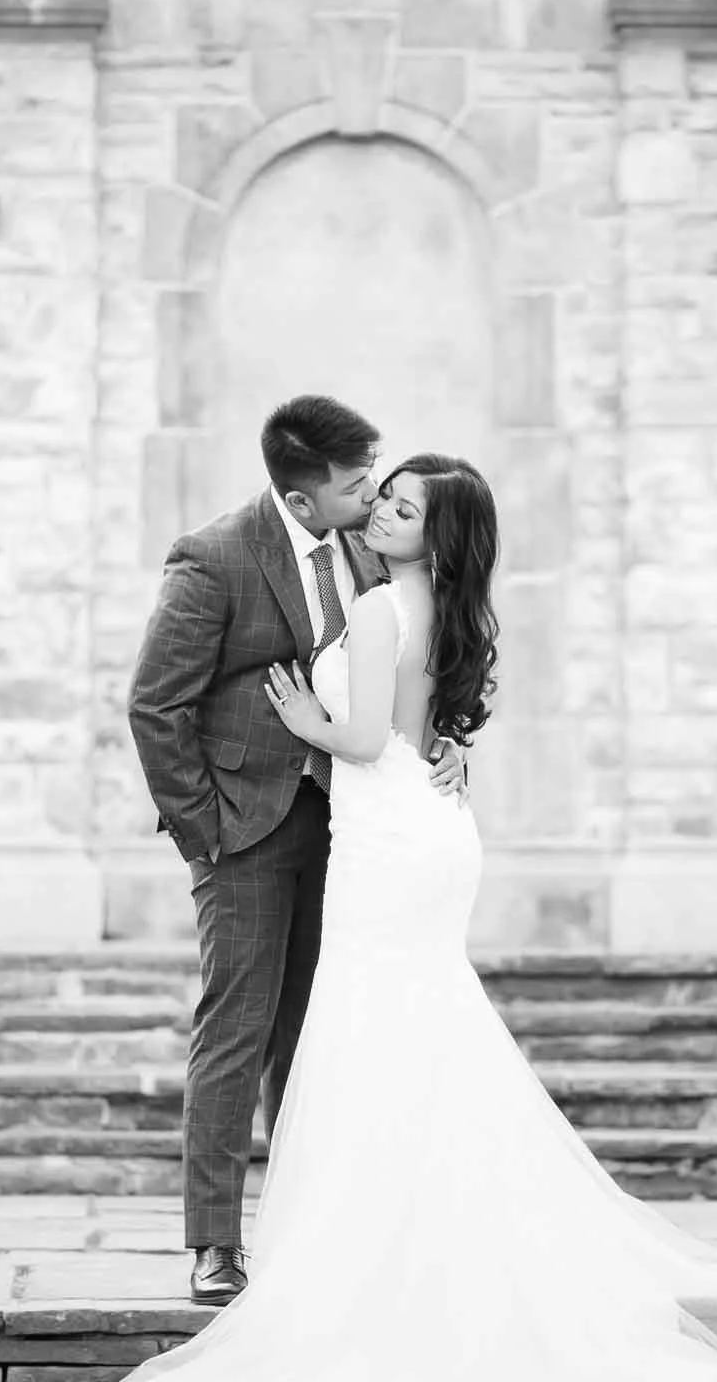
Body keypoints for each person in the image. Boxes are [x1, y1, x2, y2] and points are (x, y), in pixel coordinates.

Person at [117, 451, 717, 1382]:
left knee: (373, 1035)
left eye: (403, 508)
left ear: (435, 534)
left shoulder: (377, 607)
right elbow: (426, 727)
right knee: (422, 1032)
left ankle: (376, 1254)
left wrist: (306, 722)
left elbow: (366, 736)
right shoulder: (446, 607)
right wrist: (421, 743)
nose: (381, 511)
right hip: (430, 829)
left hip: (386, 842)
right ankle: (425, 1237)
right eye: (384, 497)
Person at [127, 395, 468, 1308]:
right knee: (235, 1030)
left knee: (316, 1033)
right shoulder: (216, 556)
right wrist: (205, 831)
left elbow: (410, 670)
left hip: (352, 832)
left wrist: (446, 742)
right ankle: (216, 1243)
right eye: (358, 484)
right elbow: (155, 704)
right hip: (244, 829)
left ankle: (306, 1229)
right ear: (303, 497)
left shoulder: (371, 550)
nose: (375, 495)